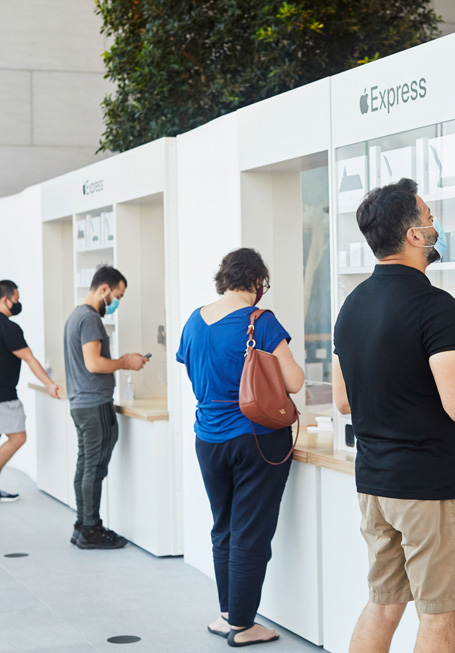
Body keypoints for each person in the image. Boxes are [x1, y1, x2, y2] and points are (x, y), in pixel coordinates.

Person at [332, 178, 455, 653]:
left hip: (374, 483)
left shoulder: (352, 306)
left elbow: (345, 400)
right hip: (429, 487)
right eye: (429, 217)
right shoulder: (436, 306)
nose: (435, 225)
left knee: (383, 605)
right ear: (414, 235)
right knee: (439, 616)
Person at [176, 248, 305, 647]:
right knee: (251, 532)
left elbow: (195, 370)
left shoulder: (195, 321)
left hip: (208, 439)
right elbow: (295, 381)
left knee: (224, 528)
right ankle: (244, 626)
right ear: (255, 282)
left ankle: (228, 614)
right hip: (255, 440)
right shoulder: (259, 321)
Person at [64, 266, 148, 549]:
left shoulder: (75, 316)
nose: (116, 303)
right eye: (117, 295)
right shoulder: (89, 319)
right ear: (104, 289)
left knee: (85, 465)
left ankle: (82, 524)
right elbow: (94, 363)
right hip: (94, 403)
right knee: (94, 468)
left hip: (80, 404)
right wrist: (125, 362)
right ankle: (91, 528)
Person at [0, 280, 61, 504]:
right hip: (0, 394)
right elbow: (29, 358)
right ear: (5, 300)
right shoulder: (9, 328)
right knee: (18, 437)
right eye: (16, 300)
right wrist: (50, 384)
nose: (18, 304)